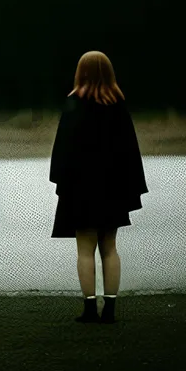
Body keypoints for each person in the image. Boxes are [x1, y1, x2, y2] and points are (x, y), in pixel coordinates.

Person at [50, 51, 148, 324]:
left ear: (80, 73)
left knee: (85, 250)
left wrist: (62, 183)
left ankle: (90, 308)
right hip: (113, 189)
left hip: (81, 190)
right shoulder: (118, 105)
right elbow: (130, 151)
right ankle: (111, 310)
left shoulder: (74, 104)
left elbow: (62, 152)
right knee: (110, 247)